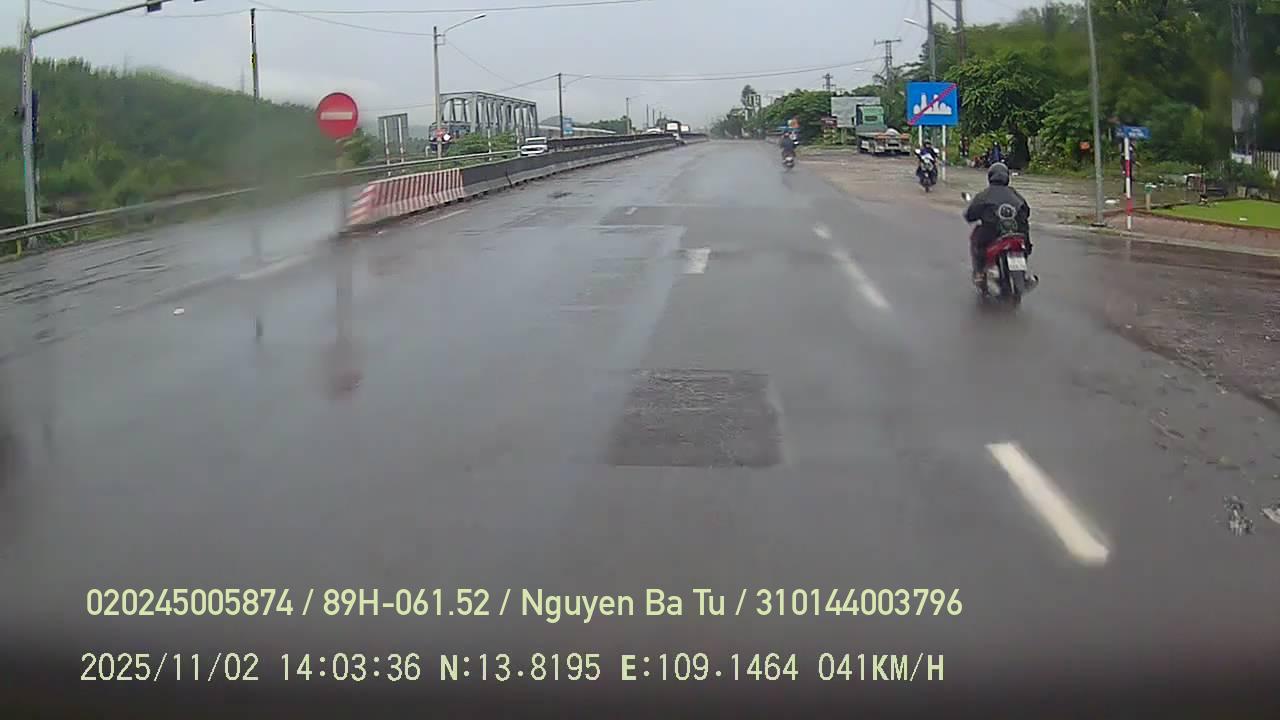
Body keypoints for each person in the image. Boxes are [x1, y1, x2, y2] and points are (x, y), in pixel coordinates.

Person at [963, 162, 1032, 284]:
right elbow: (1026, 212)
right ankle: (1023, 275)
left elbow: (971, 214)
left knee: (977, 241)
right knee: (1024, 238)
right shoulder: (1015, 194)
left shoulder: (984, 195)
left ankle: (980, 272)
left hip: (993, 232)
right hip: (1017, 232)